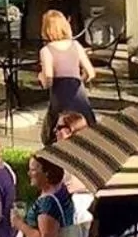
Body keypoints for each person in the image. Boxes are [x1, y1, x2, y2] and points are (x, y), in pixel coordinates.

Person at [38, 11, 98, 145]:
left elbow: (48, 79)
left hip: (60, 94)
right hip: (78, 91)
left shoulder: (46, 50)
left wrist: (41, 78)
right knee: (86, 128)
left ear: (46, 30)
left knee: (56, 131)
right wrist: (78, 80)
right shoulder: (76, 45)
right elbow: (91, 72)